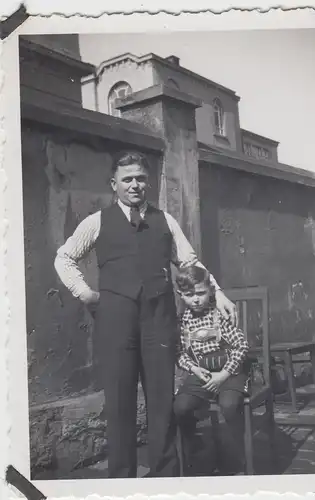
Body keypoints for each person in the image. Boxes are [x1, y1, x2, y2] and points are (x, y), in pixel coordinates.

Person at [54, 151, 237, 478]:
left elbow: (189, 262)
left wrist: (218, 292)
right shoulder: (96, 221)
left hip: (158, 320)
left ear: (148, 182)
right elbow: (64, 258)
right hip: (115, 322)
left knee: (161, 402)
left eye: (140, 178)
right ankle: (121, 481)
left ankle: (164, 477)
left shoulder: (166, 220)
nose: (134, 185)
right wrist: (85, 293)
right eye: (127, 179)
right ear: (114, 184)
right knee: (119, 404)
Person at [174, 265, 249, 475]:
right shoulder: (183, 322)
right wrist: (194, 369)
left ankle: (239, 454)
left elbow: (241, 346)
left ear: (210, 290)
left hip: (228, 371)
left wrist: (224, 375)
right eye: (189, 295)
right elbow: (179, 354)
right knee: (180, 407)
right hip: (201, 373)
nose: (196, 300)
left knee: (229, 405)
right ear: (181, 295)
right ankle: (196, 456)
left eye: (200, 293)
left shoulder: (219, 314)